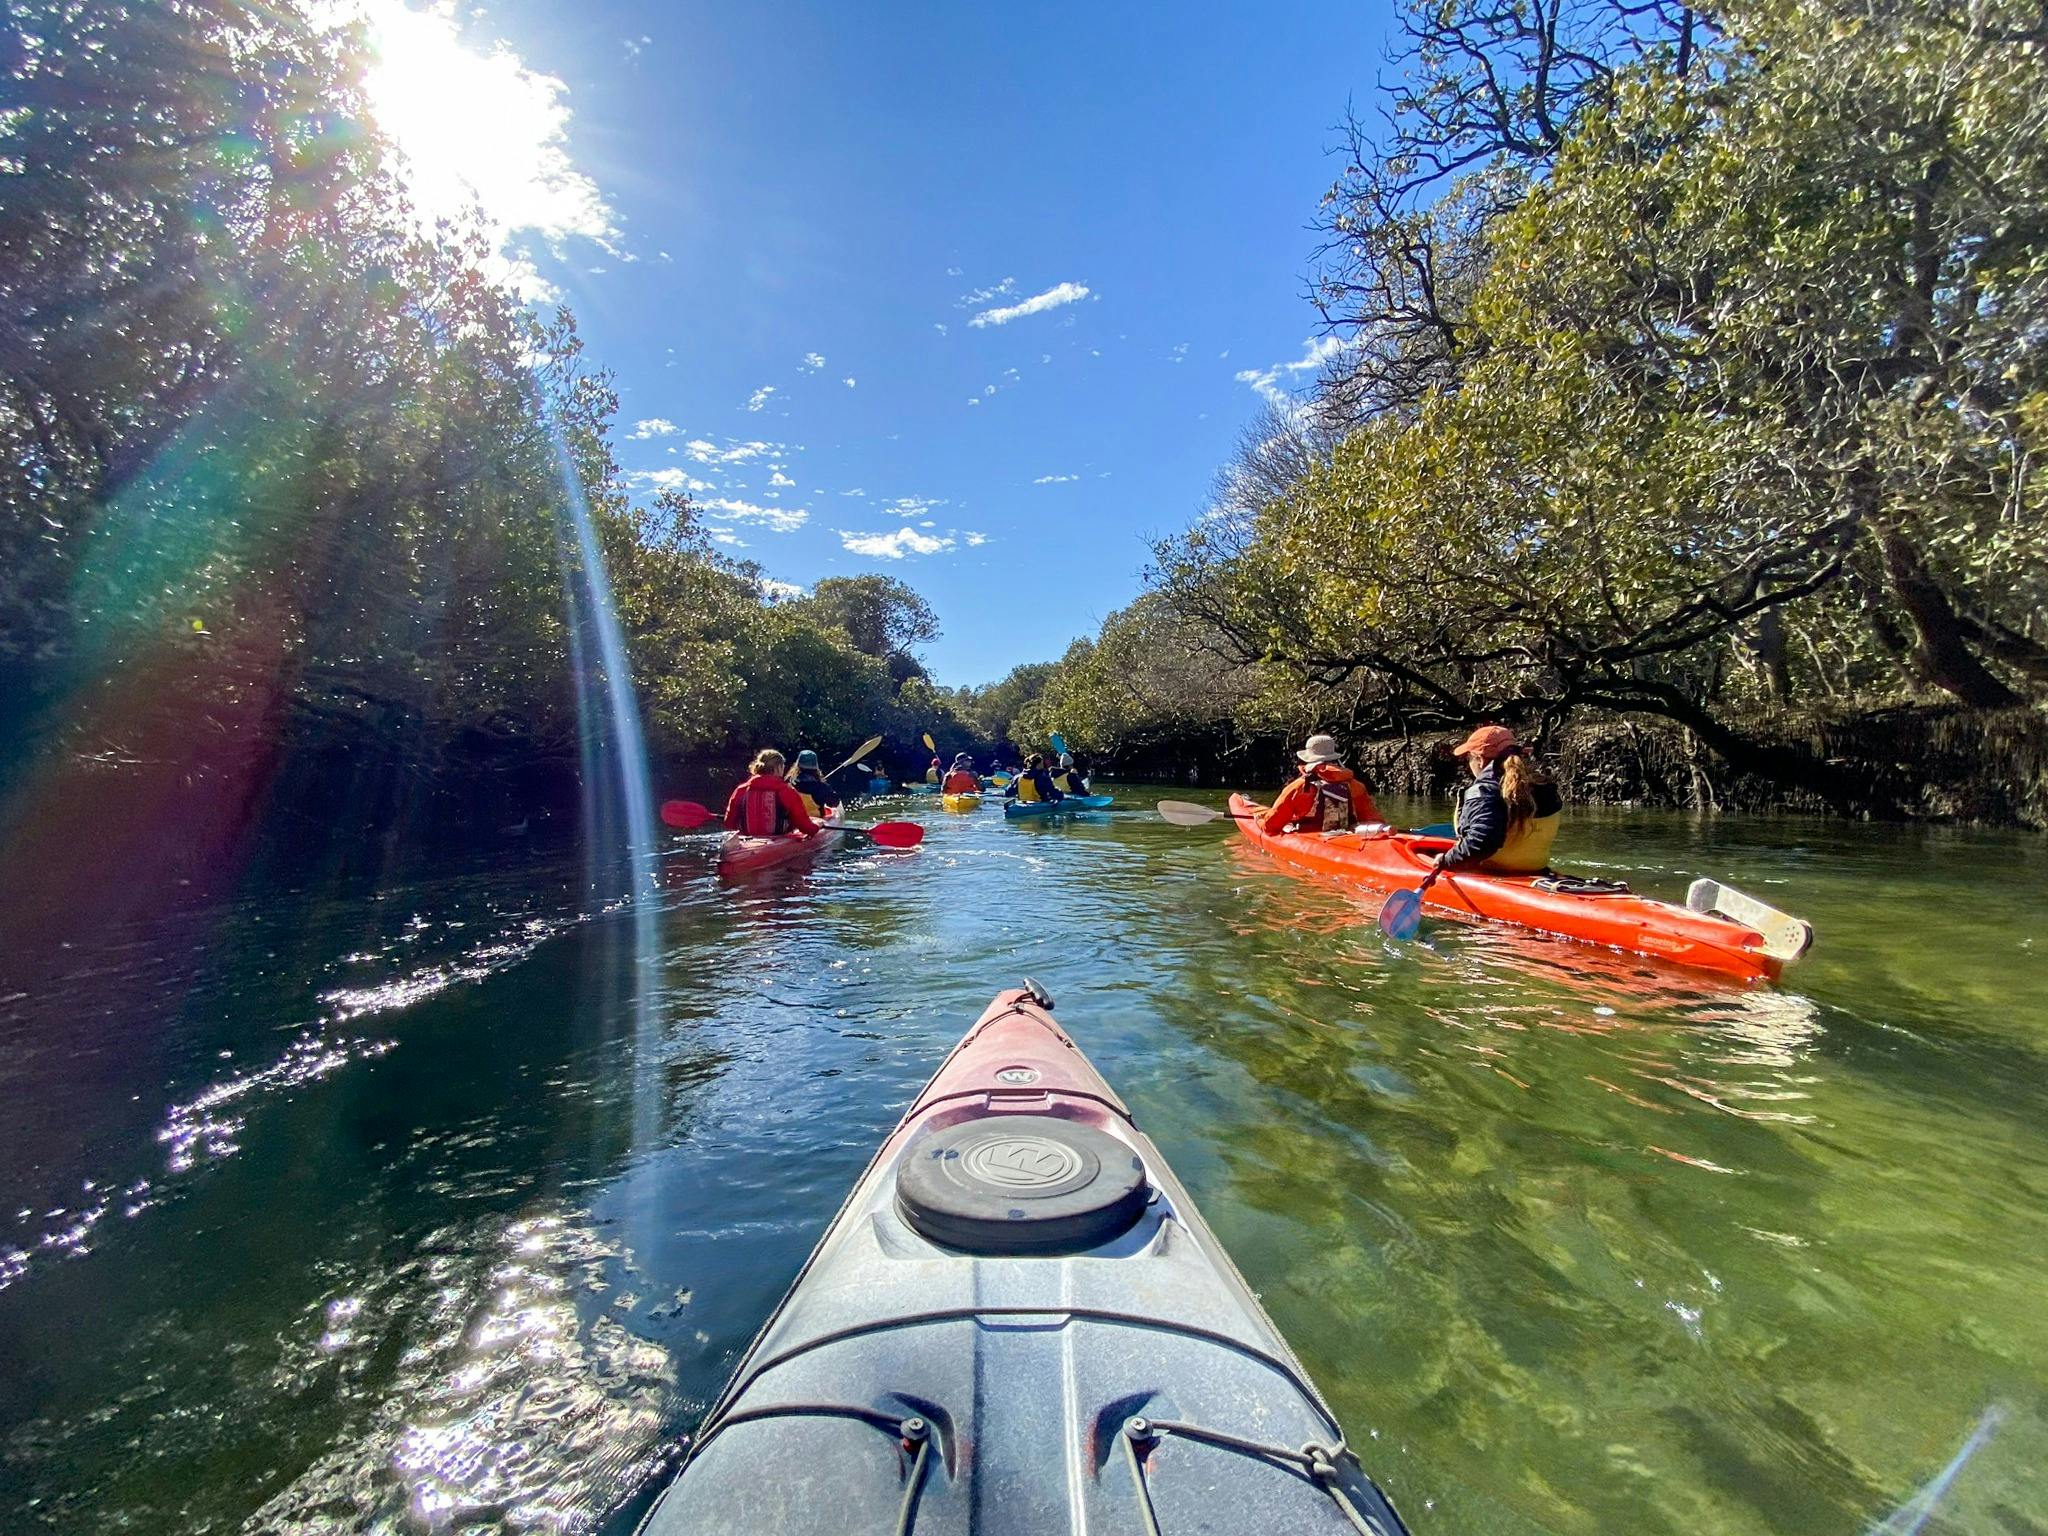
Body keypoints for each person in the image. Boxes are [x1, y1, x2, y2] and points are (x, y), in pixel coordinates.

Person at [1435, 725, 1562, 874]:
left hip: (1496, 874)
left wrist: (1446, 861)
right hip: (1537, 871)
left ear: (1480, 760)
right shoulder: (1542, 784)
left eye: (1469, 757)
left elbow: (1483, 842)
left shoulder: (1484, 791)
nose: (1468, 763)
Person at [1260, 734, 1380, 835]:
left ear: (1308, 759)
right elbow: (1372, 820)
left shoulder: (1299, 786)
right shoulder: (1356, 785)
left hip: (1310, 838)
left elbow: (1270, 825)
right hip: (1345, 837)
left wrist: (1259, 823)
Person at [724, 749, 822, 838]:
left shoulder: (741, 790)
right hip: (777, 842)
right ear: (778, 768)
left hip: (746, 842)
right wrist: (817, 827)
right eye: (783, 766)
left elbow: (729, 823)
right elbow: (805, 827)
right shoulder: (787, 791)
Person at [786, 749, 843, 821]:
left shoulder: (789, 782)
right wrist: (830, 791)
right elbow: (834, 803)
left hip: (793, 820)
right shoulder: (821, 787)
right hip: (815, 821)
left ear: (797, 765)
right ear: (816, 766)